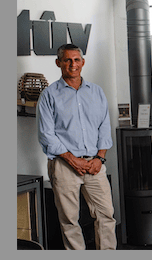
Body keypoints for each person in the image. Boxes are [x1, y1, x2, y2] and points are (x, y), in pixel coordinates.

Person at [37, 44, 116, 250]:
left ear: (82, 62)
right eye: (67, 60)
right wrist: (72, 159)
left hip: (94, 165)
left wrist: (100, 158)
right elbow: (46, 134)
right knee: (69, 221)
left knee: (106, 215)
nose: (73, 64)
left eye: (76, 59)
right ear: (58, 63)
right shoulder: (49, 95)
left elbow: (104, 127)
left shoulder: (96, 92)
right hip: (64, 165)